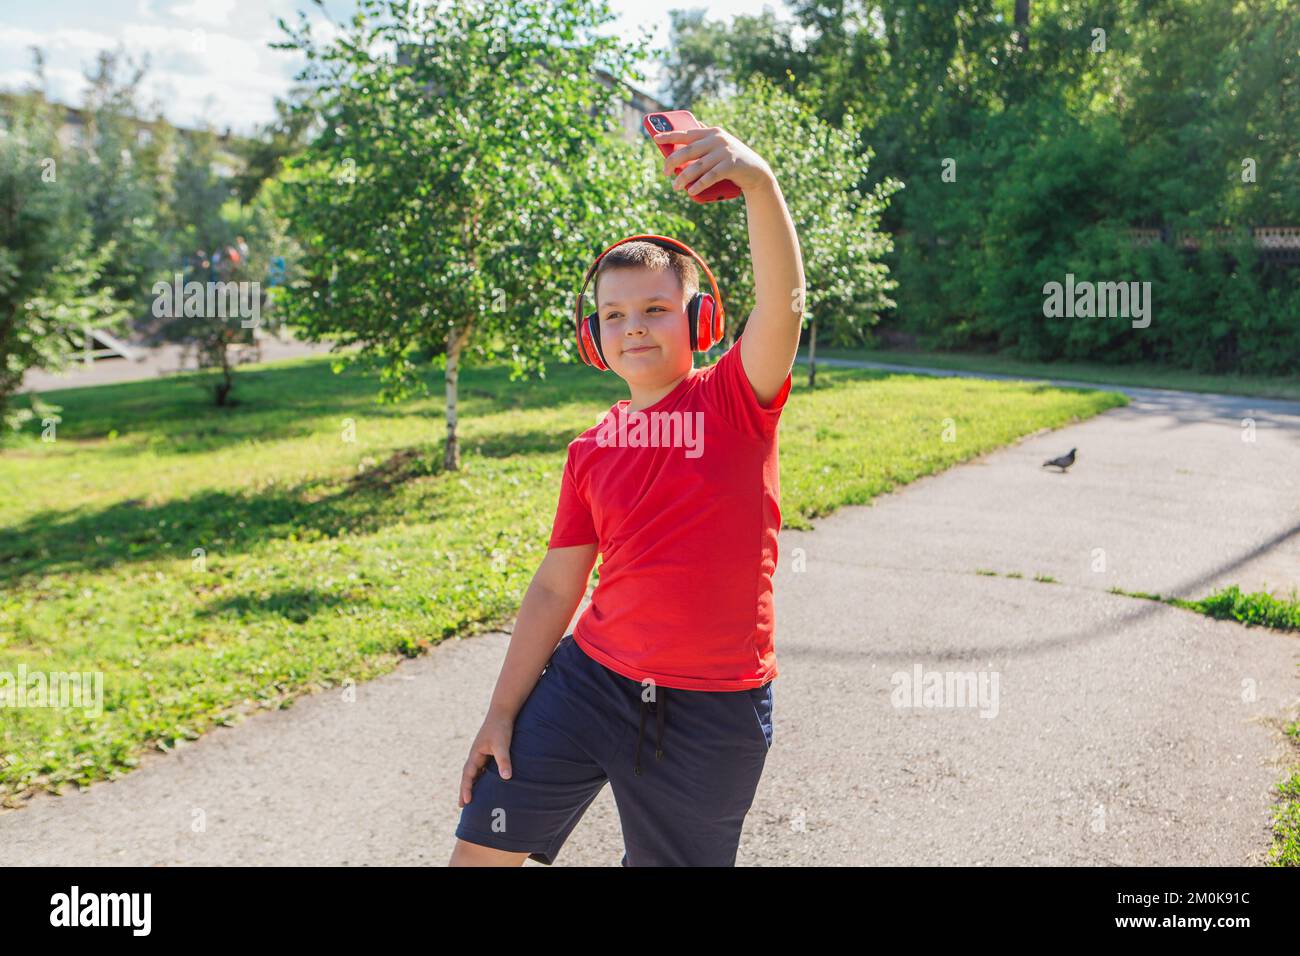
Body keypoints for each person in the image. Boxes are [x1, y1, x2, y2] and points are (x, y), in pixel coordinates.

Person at [450, 124, 805, 867]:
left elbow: (784, 305)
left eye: (654, 309)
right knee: (483, 843)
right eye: (614, 315)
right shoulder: (589, 450)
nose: (632, 327)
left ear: (700, 322)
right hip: (589, 683)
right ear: (593, 337)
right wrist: (500, 713)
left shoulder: (734, 400)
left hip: (711, 710)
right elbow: (555, 587)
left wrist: (757, 181)